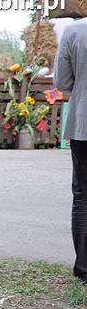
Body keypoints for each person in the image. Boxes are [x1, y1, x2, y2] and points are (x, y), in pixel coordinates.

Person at [55, 23, 87, 284]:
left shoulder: (74, 31)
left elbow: (62, 81)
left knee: (84, 197)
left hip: (83, 124)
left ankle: (84, 268)